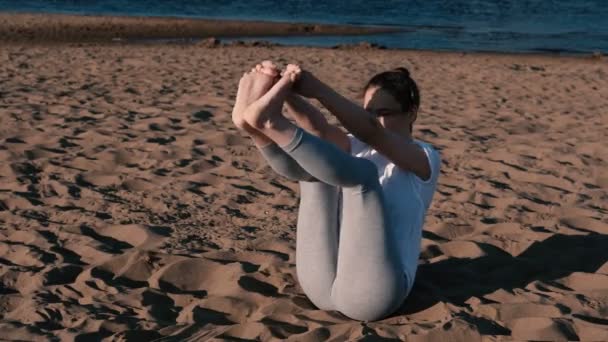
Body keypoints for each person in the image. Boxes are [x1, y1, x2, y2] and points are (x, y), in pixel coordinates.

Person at [231, 61, 441, 321]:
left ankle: (266, 124)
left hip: (375, 295)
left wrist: (319, 89)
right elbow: (317, 127)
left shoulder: (424, 157)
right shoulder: (354, 145)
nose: (374, 119)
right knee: (318, 169)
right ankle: (256, 129)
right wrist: (287, 90)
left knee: (364, 176)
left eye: (383, 112)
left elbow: (371, 130)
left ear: (412, 113)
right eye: (368, 111)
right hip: (321, 284)